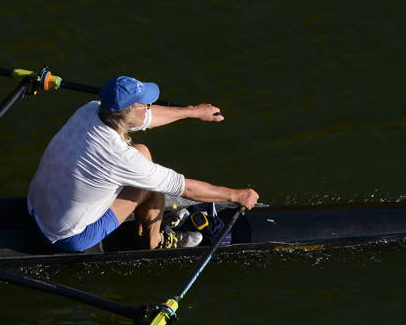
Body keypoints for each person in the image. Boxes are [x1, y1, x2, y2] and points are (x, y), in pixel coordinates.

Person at [27, 75, 259, 252]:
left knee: (142, 151)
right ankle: (155, 242)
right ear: (130, 112)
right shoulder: (119, 157)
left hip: (34, 206)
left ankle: (143, 216)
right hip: (66, 236)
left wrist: (192, 112)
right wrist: (235, 195)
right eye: (145, 104)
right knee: (151, 184)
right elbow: (185, 188)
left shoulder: (90, 110)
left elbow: (146, 117)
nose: (148, 108)